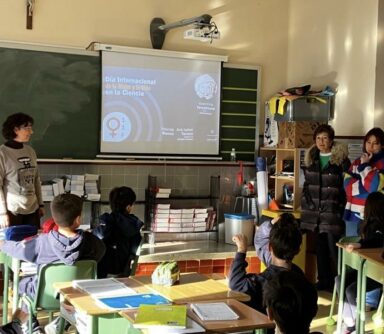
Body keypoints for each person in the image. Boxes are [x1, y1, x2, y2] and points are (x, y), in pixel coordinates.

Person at [0, 193, 106, 333]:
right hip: (77, 295)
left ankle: (31, 327)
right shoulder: (92, 242)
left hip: (45, 296)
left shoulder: (42, 242)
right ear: (78, 219)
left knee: (23, 285)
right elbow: (101, 252)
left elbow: (18, 249)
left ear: (54, 218)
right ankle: (61, 321)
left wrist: (3, 244)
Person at [300, 124, 350, 291]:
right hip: (315, 213)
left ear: (331, 140)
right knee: (320, 248)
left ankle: (339, 284)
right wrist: (307, 203)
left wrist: (340, 207)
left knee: (333, 249)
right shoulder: (311, 159)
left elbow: (346, 187)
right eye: (318, 138)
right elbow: (307, 185)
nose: (321, 142)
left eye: (325, 138)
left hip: (332, 212)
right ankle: (323, 281)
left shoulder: (340, 161)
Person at [228, 214, 304, 312]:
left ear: (269, 247)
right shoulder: (300, 277)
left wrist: (241, 250)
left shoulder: (263, 281)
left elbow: (236, 284)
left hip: (269, 327)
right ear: (298, 249)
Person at [336, 191, 384, 333]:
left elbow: (377, 239)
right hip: (364, 269)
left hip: (376, 272)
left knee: (351, 291)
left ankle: (355, 326)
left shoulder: (380, 226)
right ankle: (350, 323)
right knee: (339, 280)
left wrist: (360, 245)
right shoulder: (367, 224)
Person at [0, 113, 44, 228]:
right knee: (13, 245)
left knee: (33, 243)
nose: (31, 132)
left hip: (32, 210)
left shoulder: (30, 151)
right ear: (15, 129)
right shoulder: (2, 153)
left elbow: (36, 179)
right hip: (12, 211)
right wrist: (2, 213)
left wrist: (40, 204)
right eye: (27, 128)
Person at [93, 186, 143, 278]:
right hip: (123, 274)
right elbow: (136, 251)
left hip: (101, 274)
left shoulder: (105, 222)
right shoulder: (133, 225)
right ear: (128, 207)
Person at [343, 127, 384, 237]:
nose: (371, 146)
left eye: (375, 143)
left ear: (382, 145)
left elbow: (373, 187)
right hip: (353, 214)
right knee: (350, 250)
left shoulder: (381, 163)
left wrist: (365, 166)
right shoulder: (357, 161)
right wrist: (366, 184)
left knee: (369, 251)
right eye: (368, 142)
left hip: (374, 216)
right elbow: (347, 186)